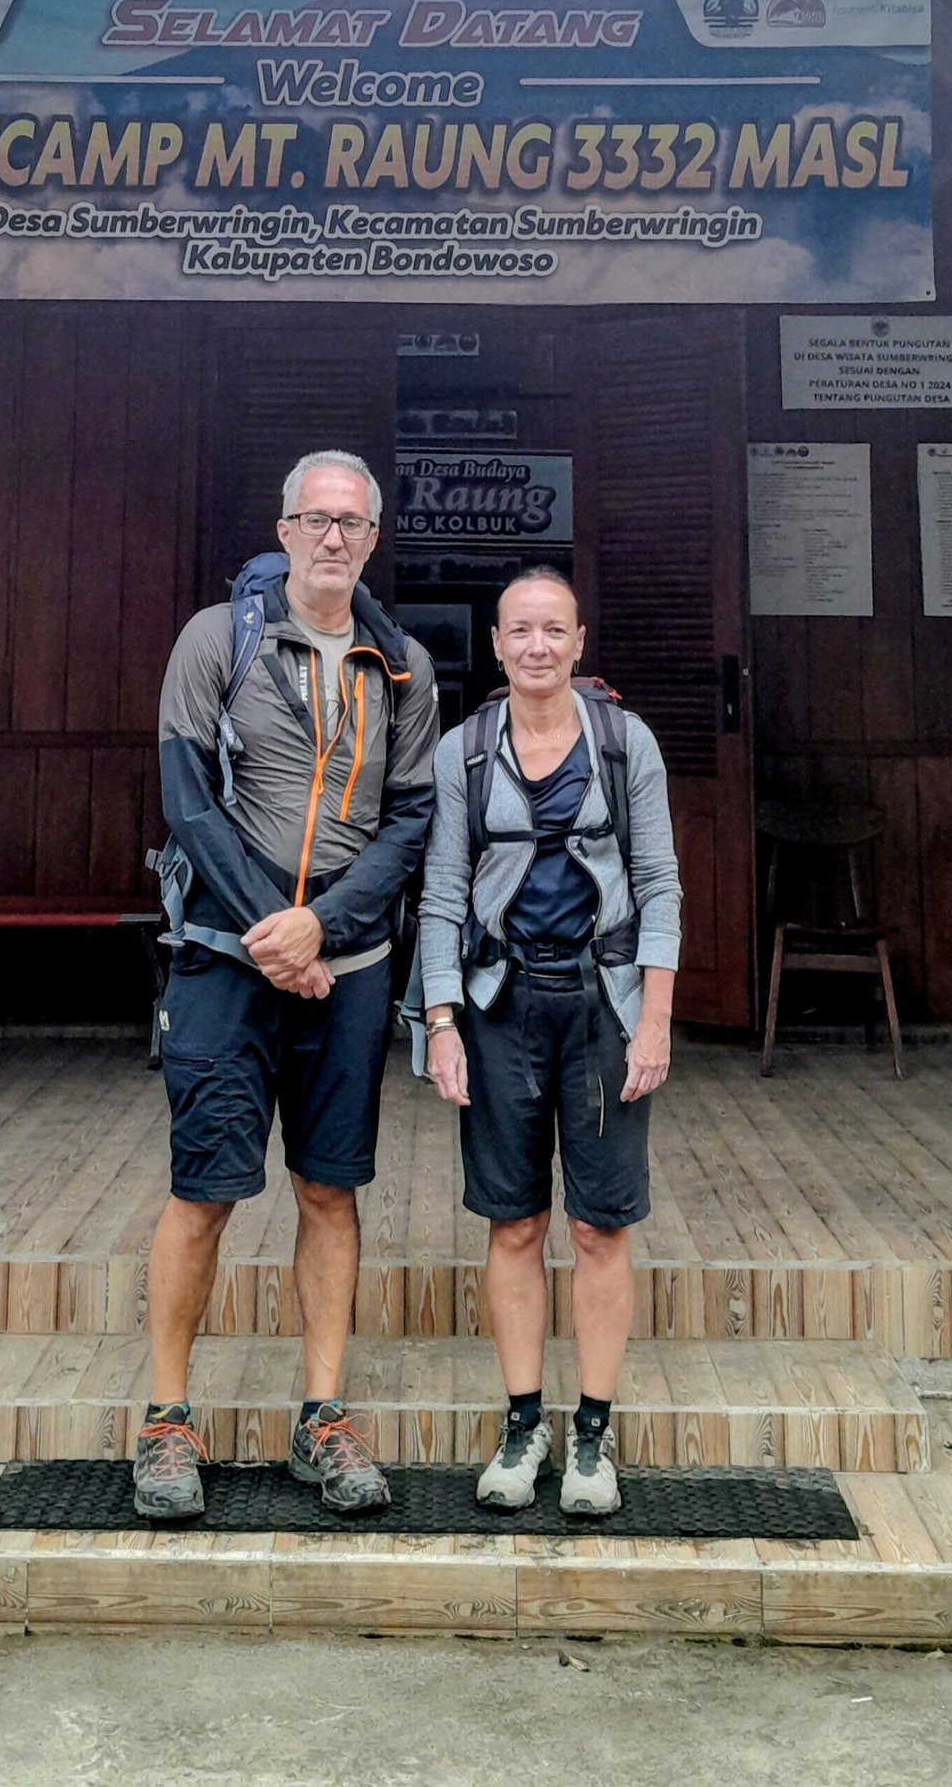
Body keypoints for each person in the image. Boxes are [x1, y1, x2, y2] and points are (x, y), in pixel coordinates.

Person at [138, 451, 439, 1520]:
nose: (332, 539)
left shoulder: (401, 663)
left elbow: (410, 821)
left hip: (346, 969)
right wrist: (276, 930)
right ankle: (166, 1420)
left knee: (328, 1189)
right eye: (315, 520)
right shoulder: (214, 639)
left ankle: (322, 1415)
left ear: (372, 539)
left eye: (351, 524)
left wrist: (325, 928)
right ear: (282, 530)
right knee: (204, 1190)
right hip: (224, 962)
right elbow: (187, 797)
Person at [418, 568, 680, 1515]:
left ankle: (594, 1435)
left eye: (553, 630)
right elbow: (443, 892)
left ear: (579, 641)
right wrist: (439, 1022)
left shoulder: (624, 741)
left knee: (597, 1224)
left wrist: (654, 1016)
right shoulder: (463, 752)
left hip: (603, 1007)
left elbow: (660, 884)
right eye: (519, 630)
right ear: (496, 644)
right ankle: (524, 1421)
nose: (536, 645)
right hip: (500, 1006)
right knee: (515, 1220)